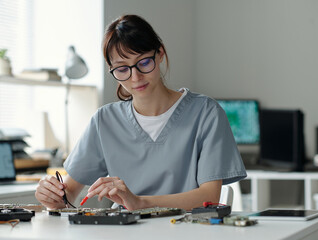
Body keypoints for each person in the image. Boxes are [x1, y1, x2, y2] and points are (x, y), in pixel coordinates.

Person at [35, 14, 247, 211]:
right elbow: (68, 195)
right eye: (122, 69)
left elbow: (209, 197)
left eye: (144, 62)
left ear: (160, 53)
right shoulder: (105, 121)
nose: (135, 77)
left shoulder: (205, 113)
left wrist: (140, 202)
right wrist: (52, 197)